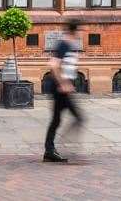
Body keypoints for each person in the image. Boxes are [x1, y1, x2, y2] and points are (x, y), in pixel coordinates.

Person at [43, 19, 85, 163]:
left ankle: (50, 150)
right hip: (60, 89)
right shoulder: (63, 44)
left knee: (56, 120)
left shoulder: (68, 45)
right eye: (79, 30)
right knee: (79, 118)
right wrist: (64, 83)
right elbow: (53, 65)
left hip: (60, 89)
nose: (80, 33)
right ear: (75, 30)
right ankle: (67, 147)